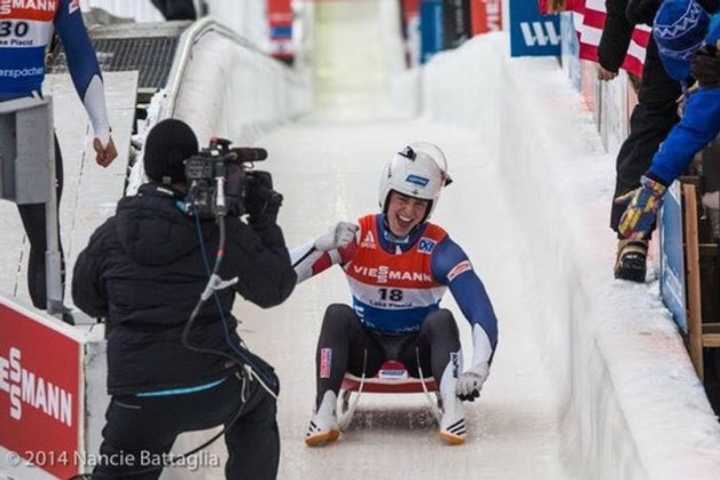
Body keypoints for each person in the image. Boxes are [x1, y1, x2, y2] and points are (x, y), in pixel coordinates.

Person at [72, 119, 296, 479]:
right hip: (212, 386)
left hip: (137, 397)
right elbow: (276, 287)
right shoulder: (220, 231)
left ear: (147, 168)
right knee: (261, 392)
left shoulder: (110, 234)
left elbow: (84, 298)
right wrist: (264, 220)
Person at [292, 143, 499, 446]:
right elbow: (282, 277)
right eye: (402, 200)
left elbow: (480, 308)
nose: (408, 212)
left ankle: (453, 409)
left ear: (429, 208)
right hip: (367, 351)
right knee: (337, 314)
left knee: (443, 319)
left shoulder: (439, 249)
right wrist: (316, 246)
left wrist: (480, 367)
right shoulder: (356, 237)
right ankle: (323, 410)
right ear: (386, 195)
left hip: (420, 352)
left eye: (420, 205)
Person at [0, 0, 117, 317]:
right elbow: (80, 56)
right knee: (46, 237)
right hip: (25, 118)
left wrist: (102, 127)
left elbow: (80, 54)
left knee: (46, 237)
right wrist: (101, 127)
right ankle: (49, 321)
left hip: (27, 120)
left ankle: (50, 320)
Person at [598, 0, 719, 283]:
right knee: (654, 118)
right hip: (683, 35)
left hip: (705, 35)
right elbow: (693, 128)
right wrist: (653, 182)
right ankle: (632, 236)